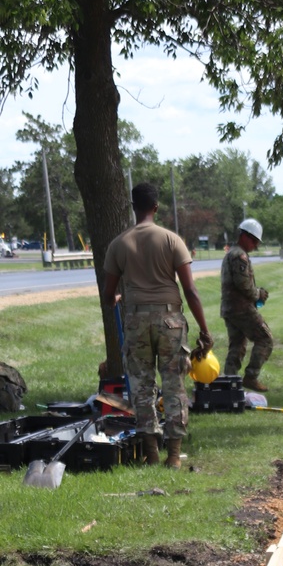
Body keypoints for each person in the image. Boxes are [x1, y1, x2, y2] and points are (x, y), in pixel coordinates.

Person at [104, 181, 213, 468]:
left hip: (136, 321)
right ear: (156, 207)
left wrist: (120, 296)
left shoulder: (119, 244)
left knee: (141, 387)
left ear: (132, 207)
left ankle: (151, 454)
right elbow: (190, 291)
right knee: (174, 385)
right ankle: (174, 456)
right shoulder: (171, 240)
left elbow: (107, 295)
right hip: (170, 321)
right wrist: (204, 329)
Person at [221, 218, 273, 391]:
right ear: (246, 237)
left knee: (237, 345)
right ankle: (250, 377)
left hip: (230, 309)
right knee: (265, 339)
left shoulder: (232, 253)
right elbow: (244, 286)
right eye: (255, 241)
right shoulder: (239, 256)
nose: (256, 245)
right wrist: (259, 294)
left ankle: (230, 383)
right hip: (241, 309)